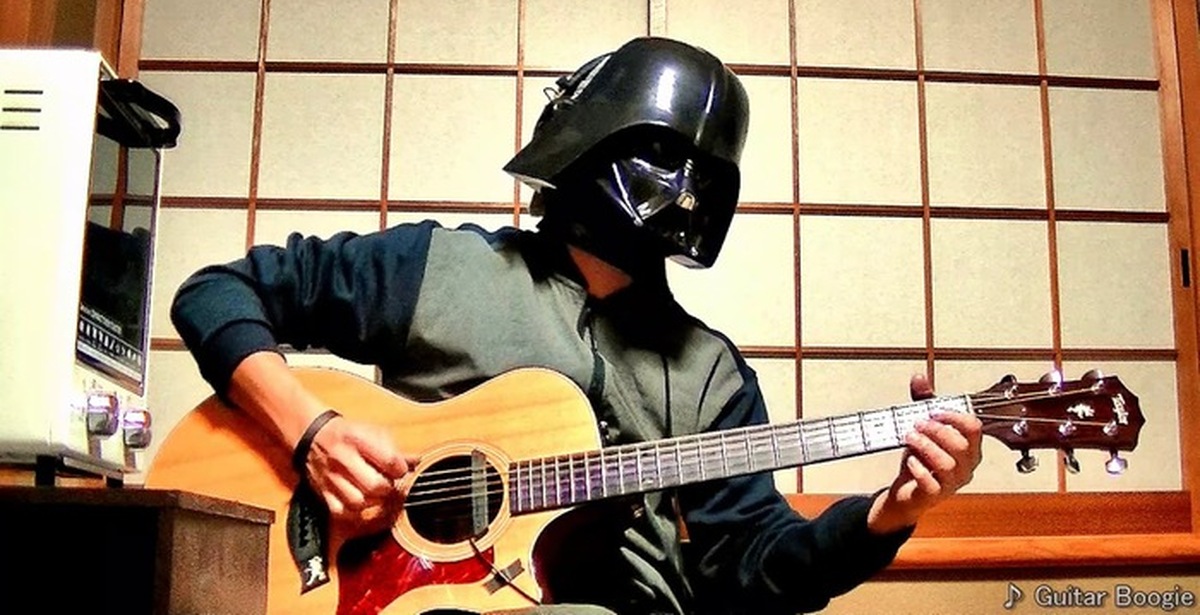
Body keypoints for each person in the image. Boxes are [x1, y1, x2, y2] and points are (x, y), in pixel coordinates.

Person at [170, 37, 982, 615]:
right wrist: (313, 433)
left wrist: (885, 515)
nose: (675, 187)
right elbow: (216, 294)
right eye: (656, 152)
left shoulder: (711, 375)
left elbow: (752, 565)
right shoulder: (435, 267)